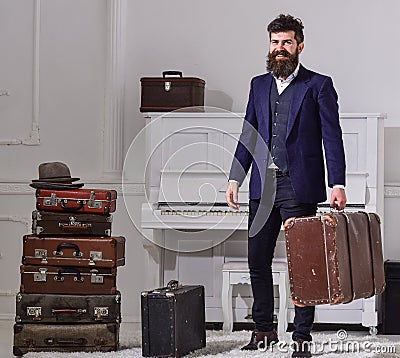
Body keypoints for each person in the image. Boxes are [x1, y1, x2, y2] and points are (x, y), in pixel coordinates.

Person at [225, 14, 347, 358]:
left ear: (300, 46)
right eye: (275, 42)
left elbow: (331, 137)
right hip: (263, 186)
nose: (280, 49)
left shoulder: (319, 85)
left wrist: (337, 183)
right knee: (257, 261)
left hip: (300, 185)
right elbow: (248, 133)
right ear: (270, 46)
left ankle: (301, 337)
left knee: (303, 264)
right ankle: (262, 330)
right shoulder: (258, 84)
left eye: (287, 42)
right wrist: (235, 177)